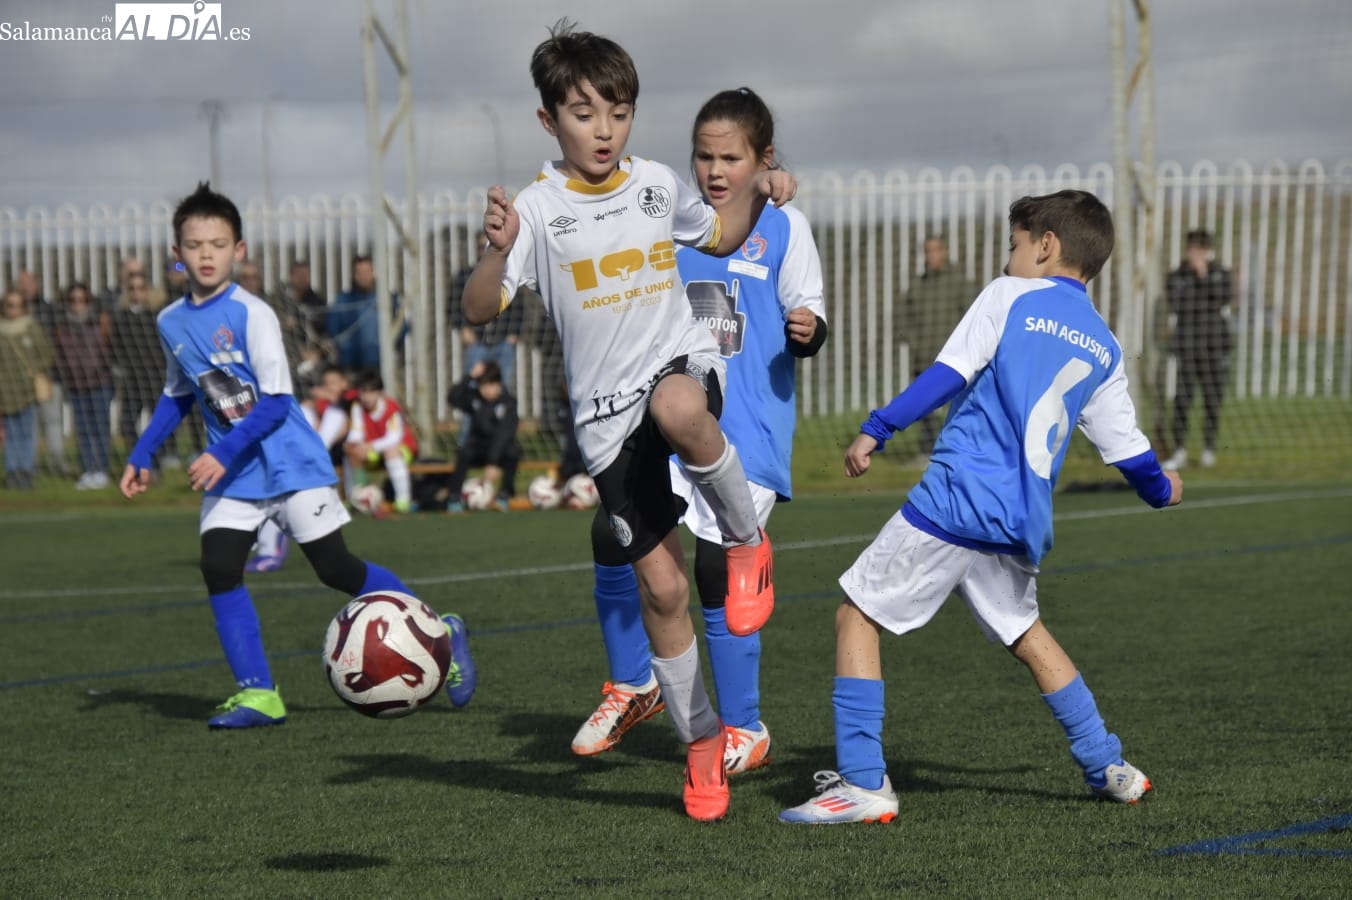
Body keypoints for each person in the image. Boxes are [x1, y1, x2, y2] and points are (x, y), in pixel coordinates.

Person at [461, 19, 790, 822]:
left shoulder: (654, 184)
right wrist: (498, 250)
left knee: (679, 406)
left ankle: (750, 545)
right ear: (550, 121)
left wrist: (763, 190)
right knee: (666, 590)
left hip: (677, 368)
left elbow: (722, 234)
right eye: (583, 112)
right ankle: (701, 744)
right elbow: (476, 311)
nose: (603, 129)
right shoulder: (537, 210)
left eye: (618, 110)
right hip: (604, 427)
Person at [779, 190, 1184, 825]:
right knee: (1027, 634)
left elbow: (948, 373)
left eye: (1015, 246)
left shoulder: (1008, 298)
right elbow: (1129, 453)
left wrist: (877, 428)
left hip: (957, 499)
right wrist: (1164, 489)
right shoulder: (1104, 345)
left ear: (1046, 246)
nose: (1008, 259)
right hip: (1018, 519)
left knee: (856, 615)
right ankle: (1108, 763)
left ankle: (862, 784)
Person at [118, 182, 476, 726]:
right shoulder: (170, 321)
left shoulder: (252, 313)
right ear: (177, 253)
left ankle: (440, 633)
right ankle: (259, 694)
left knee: (336, 568)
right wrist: (142, 452)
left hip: (288, 464)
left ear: (239, 251)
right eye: (194, 245)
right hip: (234, 473)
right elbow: (179, 392)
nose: (207, 254)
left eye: (218, 243)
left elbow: (276, 402)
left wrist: (221, 452)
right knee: (219, 567)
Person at [571, 87, 828, 779]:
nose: (715, 170)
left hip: (747, 431)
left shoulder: (785, 225)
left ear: (763, 158)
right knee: (611, 534)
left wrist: (809, 330)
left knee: (718, 573)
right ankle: (635, 685)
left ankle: (745, 725)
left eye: (731, 158)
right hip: (668, 413)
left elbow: (811, 312)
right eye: (704, 156)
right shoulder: (673, 218)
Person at [246, 365, 355, 573]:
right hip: (293, 468)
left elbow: (319, 444)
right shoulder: (306, 408)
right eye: (326, 384)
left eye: (335, 383)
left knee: (321, 540)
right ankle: (267, 550)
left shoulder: (338, 412)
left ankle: (271, 551)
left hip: (314, 475)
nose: (330, 388)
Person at [896, 234, 979, 458]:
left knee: (962, 405)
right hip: (924, 357)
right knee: (925, 409)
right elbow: (902, 318)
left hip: (955, 360)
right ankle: (929, 452)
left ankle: (962, 449)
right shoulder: (918, 286)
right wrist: (914, 342)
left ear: (945, 252)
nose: (932, 255)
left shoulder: (960, 283)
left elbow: (973, 318)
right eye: (928, 251)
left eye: (936, 250)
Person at [1161, 229, 1233, 470]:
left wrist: (1203, 277)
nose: (1196, 253)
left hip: (1214, 346)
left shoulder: (1219, 273)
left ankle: (1209, 449)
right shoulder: (1178, 275)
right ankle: (1180, 449)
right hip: (1188, 346)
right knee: (1182, 399)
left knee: (1212, 400)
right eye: (1193, 248)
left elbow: (1224, 297)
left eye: (1201, 249)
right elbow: (1178, 303)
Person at [54, 282, 115, 490]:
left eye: (82, 300)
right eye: (73, 300)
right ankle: (88, 469)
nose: (78, 305)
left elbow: (111, 350)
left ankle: (102, 470)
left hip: (100, 383)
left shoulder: (100, 323)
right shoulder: (63, 328)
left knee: (101, 428)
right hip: (76, 385)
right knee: (83, 430)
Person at [451, 232, 526, 391]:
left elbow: (519, 307)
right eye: (481, 246)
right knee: (472, 389)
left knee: (502, 388)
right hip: (477, 342)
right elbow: (453, 306)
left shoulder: (509, 275)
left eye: (489, 245)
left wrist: (514, 334)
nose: (484, 250)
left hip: (503, 341)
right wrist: (462, 328)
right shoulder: (465, 276)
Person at [445, 359, 522, 512]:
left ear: (499, 384)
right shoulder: (474, 399)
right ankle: (455, 496)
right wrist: (470, 376)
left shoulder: (509, 403)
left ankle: (505, 494)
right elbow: (452, 398)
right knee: (464, 452)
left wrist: (492, 463)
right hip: (479, 446)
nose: (487, 390)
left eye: (491, 385)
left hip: (500, 448)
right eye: (483, 386)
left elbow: (504, 434)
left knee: (513, 451)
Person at [110, 272, 167, 476]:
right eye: (131, 288)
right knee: (127, 424)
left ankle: (156, 464)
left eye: (141, 288)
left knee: (158, 423)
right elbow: (115, 347)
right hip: (132, 380)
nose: (136, 292)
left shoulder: (157, 316)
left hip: (155, 378)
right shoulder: (121, 317)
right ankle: (138, 460)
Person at [0, 289, 55, 489]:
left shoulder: (32, 328)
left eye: (17, 305)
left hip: (28, 390)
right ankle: (13, 471)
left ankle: (26, 471)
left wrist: (34, 368)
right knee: (12, 434)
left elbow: (47, 354)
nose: (13, 309)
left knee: (27, 433)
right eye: (9, 305)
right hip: (5, 392)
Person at [344, 368, 418, 514]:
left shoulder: (391, 408)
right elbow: (356, 433)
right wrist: (355, 445)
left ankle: (403, 501)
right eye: (363, 392)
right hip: (373, 451)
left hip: (401, 449)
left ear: (380, 392)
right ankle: (355, 496)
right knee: (351, 452)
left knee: (391, 452)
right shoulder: (357, 407)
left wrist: (370, 445)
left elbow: (394, 438)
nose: (366, 397)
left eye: (371, 392)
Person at [328, 256, 386, 372]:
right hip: (349, 365)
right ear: (353, 275)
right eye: (359, 272)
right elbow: (332, 328)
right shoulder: (343, 300)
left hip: (379, 364)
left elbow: (400, 328)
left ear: (373, 273)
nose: (364, 276)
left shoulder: (385, 300)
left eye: (367, 271)